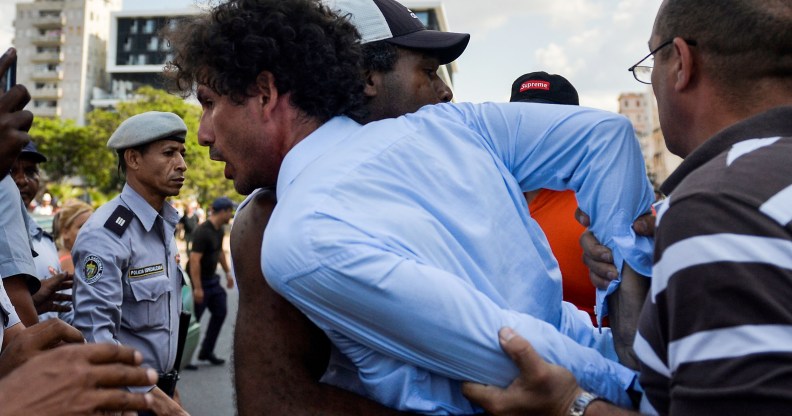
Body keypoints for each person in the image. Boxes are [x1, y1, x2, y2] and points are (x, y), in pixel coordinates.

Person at [168, 0, 655, 413]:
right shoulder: (450, 126)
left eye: (209, 103)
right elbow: (607, 138)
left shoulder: (301, 234)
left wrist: (626, 389)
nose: (204, 133)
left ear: (266, 93)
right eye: (426, 70)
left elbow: (511, 350)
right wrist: (631, 333)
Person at [462, 0, 792, 415]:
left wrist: (571, 405)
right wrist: (649, 266)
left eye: (650, 60)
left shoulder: (717, 209)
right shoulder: (717, 205)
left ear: (681, 64)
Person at [71, 111, 188, 415]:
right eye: (169, 153)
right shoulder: (106, 234)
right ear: (134, 159)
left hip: (160, 391)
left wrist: (169, 390)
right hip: (124, 399)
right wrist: (160, 403)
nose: (182, 165)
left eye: (182, 154)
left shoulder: (164, 225)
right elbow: (95, 337)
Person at [510, 71, 598, 325]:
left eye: (549, 122)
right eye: (522, 119)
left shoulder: (603, 198)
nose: (533, 131)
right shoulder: (495, 191)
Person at [10, 141, 73, 322]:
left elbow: (65, 312)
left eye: (30, 172)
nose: (22, 180)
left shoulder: (45, 242)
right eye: (10, 171)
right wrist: (26, 307)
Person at [188, 196, 235, 366]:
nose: (231, 214)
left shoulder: (219, 229)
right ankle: (182, 358)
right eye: (230, 211)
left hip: (212, 281)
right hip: (200, 282)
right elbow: (194, 260)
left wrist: (228, 273)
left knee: (220, 311)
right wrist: (197, 288)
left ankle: (206, 351)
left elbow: (219, 251)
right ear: (222, 211)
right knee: (192, 322)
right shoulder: (203, 231)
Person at [53, 199, 94, 274]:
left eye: (92, 226)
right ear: (65, 232)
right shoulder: (69, 261)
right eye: (82, 226)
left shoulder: (76, 257)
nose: (89, 231)